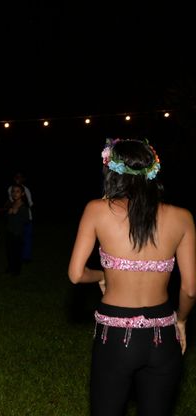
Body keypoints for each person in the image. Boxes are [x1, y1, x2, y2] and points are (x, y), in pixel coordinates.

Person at [68, 138, 196, 415]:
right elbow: (189, 290)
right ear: (152, 172)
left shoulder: (96, 210)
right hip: (163, 336)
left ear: (111, 172)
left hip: (114, 338)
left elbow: (76, 275)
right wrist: (182, 321)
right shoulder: (183, 217)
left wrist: (103, 274)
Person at [0, 183, 30, 275]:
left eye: (17, 192)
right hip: (9, 232)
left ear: (22, 194)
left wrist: (17, 213)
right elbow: (6, 219)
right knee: (9, 251)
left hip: (18, 234)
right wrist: (9, 213)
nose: (15, 193)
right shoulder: (12, 204)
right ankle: (10, 267)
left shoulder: (23, 207)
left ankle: (16, 270)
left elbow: (26, 220)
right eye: (13, 191)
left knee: (17, 252)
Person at [7, 171, 34, 262]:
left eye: (20, 177)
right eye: (16, 177)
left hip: (26, 218)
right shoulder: (10, 188)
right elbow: (10, 201)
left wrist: (20, 207)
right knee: (15, 238)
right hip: (15, 219)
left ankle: (26, 257)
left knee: (26, 238)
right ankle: (16, 257)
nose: (18, 179)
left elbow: (30, 203)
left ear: (23, 179)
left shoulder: (26, 190)